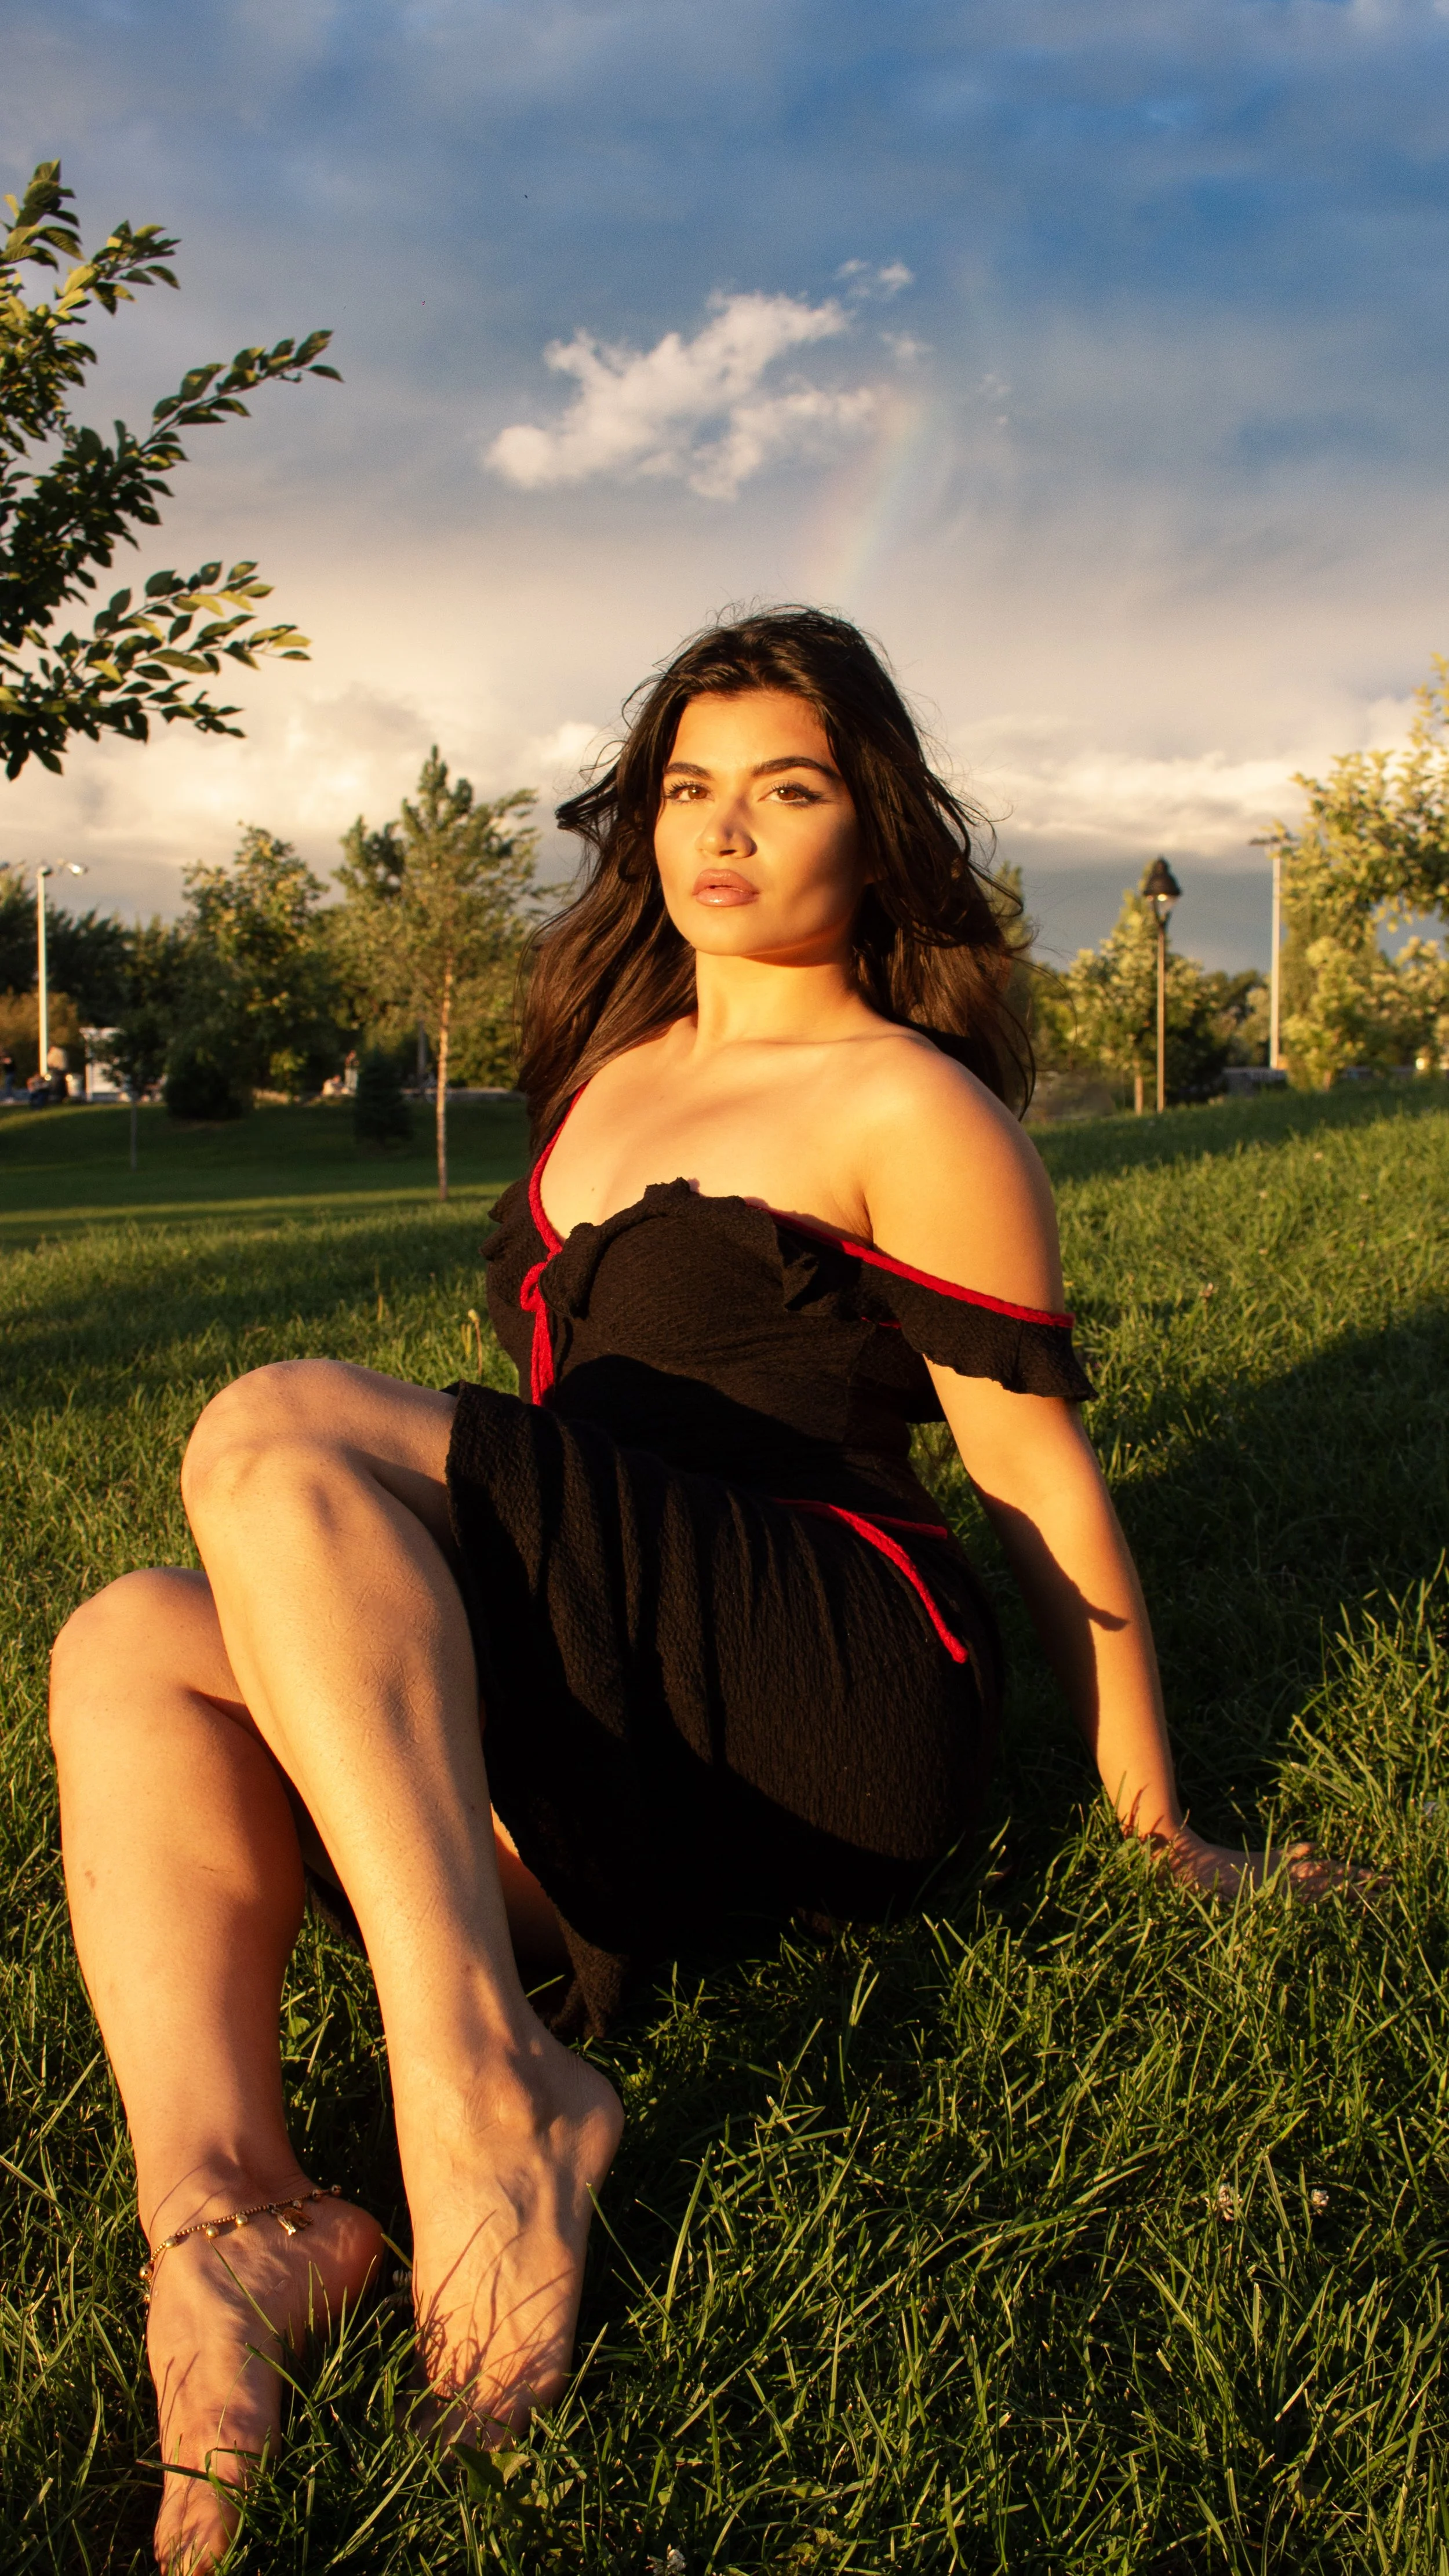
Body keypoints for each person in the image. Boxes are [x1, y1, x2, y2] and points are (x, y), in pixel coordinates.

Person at [48, 609, 1341, 2574]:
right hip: (632, 1707)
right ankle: (233, 2219)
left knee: (275, 1425)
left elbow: (1032, 1483)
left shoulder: (910, 1104)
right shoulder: (602, 1082)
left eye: (788, 788)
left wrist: (1161, 1829)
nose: (723, 830)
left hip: (838, 1679)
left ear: (875, 830)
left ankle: (481, 2082)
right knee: (127, 1639)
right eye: (686, 789)